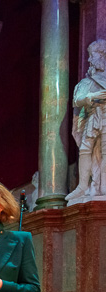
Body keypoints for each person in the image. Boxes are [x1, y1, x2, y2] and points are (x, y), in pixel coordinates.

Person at [67, 39, 106, 201]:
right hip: (92, 117)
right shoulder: (87, 81)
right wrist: (93, 96)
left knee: (105, 150)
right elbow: (77, 100)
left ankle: (103, 185)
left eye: (92, 55)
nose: (89, 60)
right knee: (85, 148)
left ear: (102, 55)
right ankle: (83, 186)